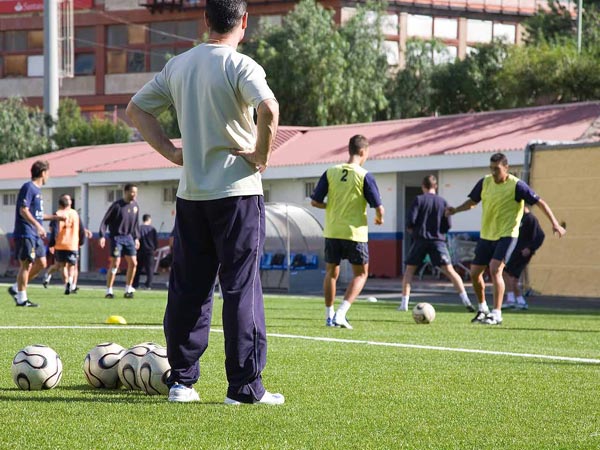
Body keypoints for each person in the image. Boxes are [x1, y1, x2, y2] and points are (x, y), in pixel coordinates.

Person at [126, 0, 283, 405]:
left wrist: (171, 152)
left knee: (189, 288)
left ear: (205, 20)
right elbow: (268, 108)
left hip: (191, 195)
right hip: (237, 194)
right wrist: (261, 154)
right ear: (244, 21)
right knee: (240, 289)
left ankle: (181, 383)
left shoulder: (178, 65)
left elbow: (136, 109)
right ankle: (244, 388)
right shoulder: (242, 65)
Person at [446, 153, 565, 325]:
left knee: (495, 269)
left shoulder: (517, 186)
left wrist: (554, 223)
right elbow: (472, 202)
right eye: (491, 168)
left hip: (507, 235)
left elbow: (540, 202)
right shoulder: (485, 182)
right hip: (487, 235)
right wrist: (455, 210)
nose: (494, 172)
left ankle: (497, 313)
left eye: (497, 169)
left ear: (506, 168)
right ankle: (483, 309)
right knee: (474, 273)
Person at [310, 135, 385, 329]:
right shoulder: (364, 175)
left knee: (331, 273)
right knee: (361, 274)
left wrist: (330, 206)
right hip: (354, 233)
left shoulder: (330, 172)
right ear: (362, 152)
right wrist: (379, 218)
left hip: (332, 230)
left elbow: (315, 202)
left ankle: (329, 316)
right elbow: (379, 207)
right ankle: (341, 314)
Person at [399, 175, 474, 312]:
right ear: (436, 186)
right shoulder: (443, 202)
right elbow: (448, 225)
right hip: (438, 241)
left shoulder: (418, 200)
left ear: (423, 186)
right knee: (450, 271)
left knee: (409, 271)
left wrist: (413, 232)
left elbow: (411, 221)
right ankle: (466, 301)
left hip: (420, 239)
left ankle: (404, 304)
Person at [7, 160, 64, 307]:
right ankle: (22, 299)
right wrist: (38, 226)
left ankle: (16, 287)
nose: (49, 176)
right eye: (48, 173)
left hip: (34, 234)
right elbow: (23, 210)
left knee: (42, 263)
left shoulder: (38, 191)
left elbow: (37, 215)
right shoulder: (28, 187)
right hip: (25, 232)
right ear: (43, 173)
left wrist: (55, 218)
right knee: (26, 264)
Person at [98, 184, 140, 299]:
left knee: (133, 263)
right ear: (126, 192)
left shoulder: (135, 206)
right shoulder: (117, 206)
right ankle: (109, 290)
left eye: (136, 192)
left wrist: (136, 238)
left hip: (129, 238)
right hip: (117, 238)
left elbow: (136, 224)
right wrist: (102, 236)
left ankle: (128, 289)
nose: (134, 194)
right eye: (132, 192)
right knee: (116, 263)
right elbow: (105, 221)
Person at [502, 206, 545, 310]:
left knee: (513, 277)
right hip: (516, 251)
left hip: (522, 253)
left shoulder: (530, 219)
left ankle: (519, 301)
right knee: (505, 272)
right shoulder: (519, 218)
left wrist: (530, 248)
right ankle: (513, 299)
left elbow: (540, 236)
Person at [47, 194, 81, 295]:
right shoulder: (75, 213)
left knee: (63, 266)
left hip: (60, 244)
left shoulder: (57, 213)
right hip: (73, 244)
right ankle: (70, 281)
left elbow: (53, 229)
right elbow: (81, 228)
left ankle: (67, 284)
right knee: (72, 266)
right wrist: (82, 240)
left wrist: (52, 243)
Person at [133, 214, 158, 290]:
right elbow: (155, 241)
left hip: (140, 250)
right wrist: (155, 248)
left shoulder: (139, 228)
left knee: (137, 268)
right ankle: (148, 285)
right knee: (150, 269)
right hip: (150, 251)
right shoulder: (152, 229)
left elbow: (136, 238)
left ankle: (135, 284)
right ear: (149, 219)